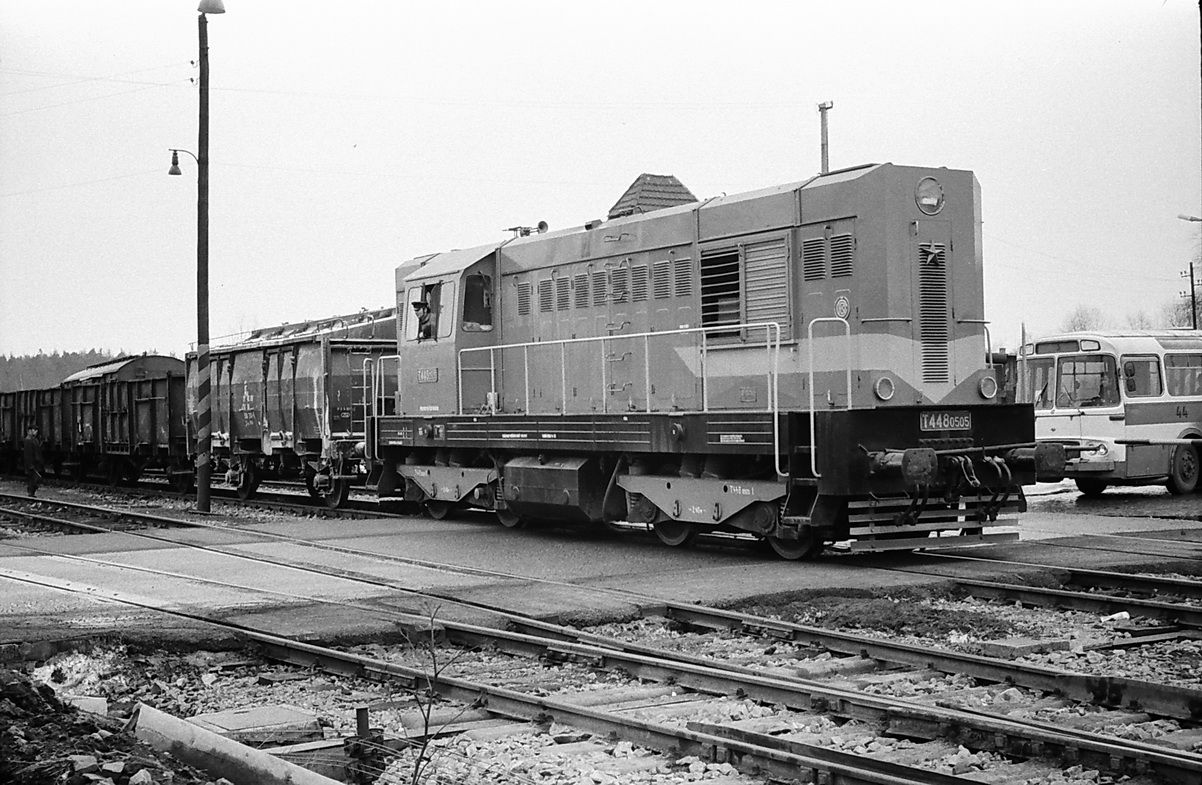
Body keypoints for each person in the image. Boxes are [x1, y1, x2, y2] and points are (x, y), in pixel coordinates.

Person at [23, 425, 44, 498]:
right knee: (32, 478)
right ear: (30, 431)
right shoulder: (28, 440)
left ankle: (32, 493)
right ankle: (30, 493)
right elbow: (27, 454)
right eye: (34, 430)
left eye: (36, 431)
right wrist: (30, 465)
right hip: (32, 463)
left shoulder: (34, 440)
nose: (36, 432)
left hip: (36, 463)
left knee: (35, 479)